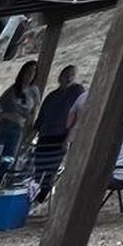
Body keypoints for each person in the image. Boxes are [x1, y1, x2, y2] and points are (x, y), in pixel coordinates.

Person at [32, 64, 87, 198]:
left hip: (62, 135)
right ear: (59, 77)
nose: (68, 78)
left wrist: (69, 137)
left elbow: (79, 115)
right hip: (45, 136)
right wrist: (30, 136)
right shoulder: (51, 96)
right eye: (65, 74)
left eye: (72, 75)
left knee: (51, 169)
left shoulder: (77, 91)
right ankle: (34, 196)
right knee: (38, 169)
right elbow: (41, 119)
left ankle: (42, 195)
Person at [0, 60, 41, 159]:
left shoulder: (34, 92)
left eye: (33, 73)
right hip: (2, 130)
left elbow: (33, 113)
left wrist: (29, 134)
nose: (30, 75)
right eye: (28, 72)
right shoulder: (12, 90)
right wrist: (8, 115)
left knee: (7, 161)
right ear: (22, 73)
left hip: (18, 132)